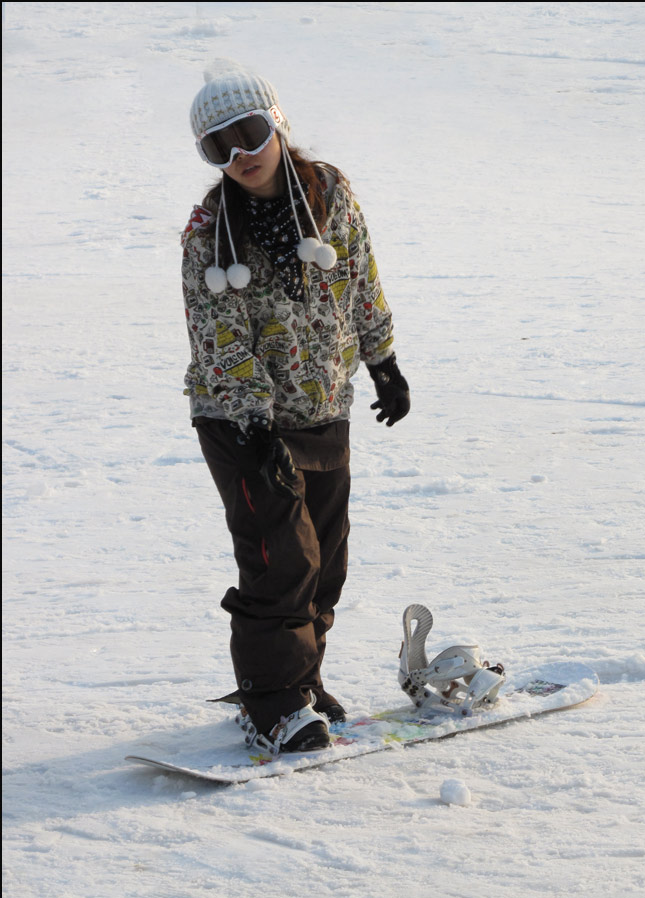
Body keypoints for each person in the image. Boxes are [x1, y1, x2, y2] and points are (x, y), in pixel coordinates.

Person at [181, 65, 410, 757]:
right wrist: (254, 421)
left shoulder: (331, 195)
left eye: (248, 134)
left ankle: (301, 681)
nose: (240, 156)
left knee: (326, 559)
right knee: (282, 558)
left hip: (321, 405)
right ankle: (271, 701)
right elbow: (217, 332)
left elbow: (359, 273)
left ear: (275, 122)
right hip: (239, 420)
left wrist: (383, 359)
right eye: (218, 147)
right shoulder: (209, 234)